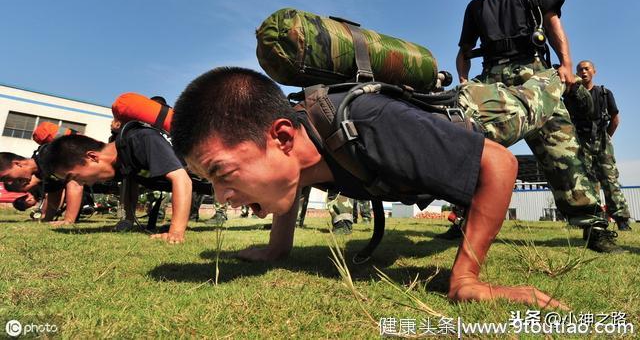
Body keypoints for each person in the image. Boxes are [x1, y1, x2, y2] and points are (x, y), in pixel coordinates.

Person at [169, 66, 568, 309]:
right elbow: (290, 179)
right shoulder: (297, 146)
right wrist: (278, 248)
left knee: (546, 93)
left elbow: (500, 164)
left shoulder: (369, 123)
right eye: (210, 182)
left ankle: (562, 76)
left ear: (282, 137)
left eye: (221, 173)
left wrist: (465, 278)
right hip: (423, 135)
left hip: (486, 112)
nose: (221, 197)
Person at [455, 0, 621, 253]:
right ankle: (463, 220)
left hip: (535, 75)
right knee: (475, 147)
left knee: (563, 153)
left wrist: (566, 65)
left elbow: (555, 27)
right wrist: (464, 80)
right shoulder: (475, 8)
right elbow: (464, 50)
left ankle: (593, 228)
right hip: (493, 80)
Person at [44, 130, 193, 244]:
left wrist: (176, 232)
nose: (85, 183)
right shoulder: (121, 158)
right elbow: (131, 182)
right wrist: (128, 220)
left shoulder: (142, 139)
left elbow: (182, 179)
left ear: (92, 157)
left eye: (76, 176)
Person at [565, 60, 632, 231]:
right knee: (587, 182)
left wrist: (606, 138)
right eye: (580, 69)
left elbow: (615, 119)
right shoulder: (570, 96)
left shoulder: (604, 93)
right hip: (581, 142)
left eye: (587, 68)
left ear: (594, 71)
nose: (583, 71)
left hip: (602, 141)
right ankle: (594, 220)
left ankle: (622, 220)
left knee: (610, 180)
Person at [0, 152, 84, 224]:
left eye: (6, 177)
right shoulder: (40, 172)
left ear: (17, 164)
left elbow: (75, 182)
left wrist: (68, 219)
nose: (10, 182)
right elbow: (55, 191)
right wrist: (47, 219)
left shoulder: (50, 156)